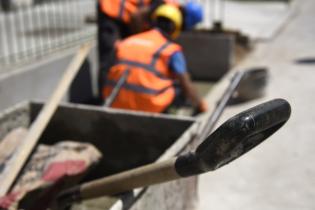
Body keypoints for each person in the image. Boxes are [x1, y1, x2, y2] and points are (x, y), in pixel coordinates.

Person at [102, 3, 207, 114]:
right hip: (147, 107)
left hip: (114, 103)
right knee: (178, 87)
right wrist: (201, 106)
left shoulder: (128, 41)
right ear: (176, 28)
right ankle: (167, 114)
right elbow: (186, 85)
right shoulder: (171, 50)